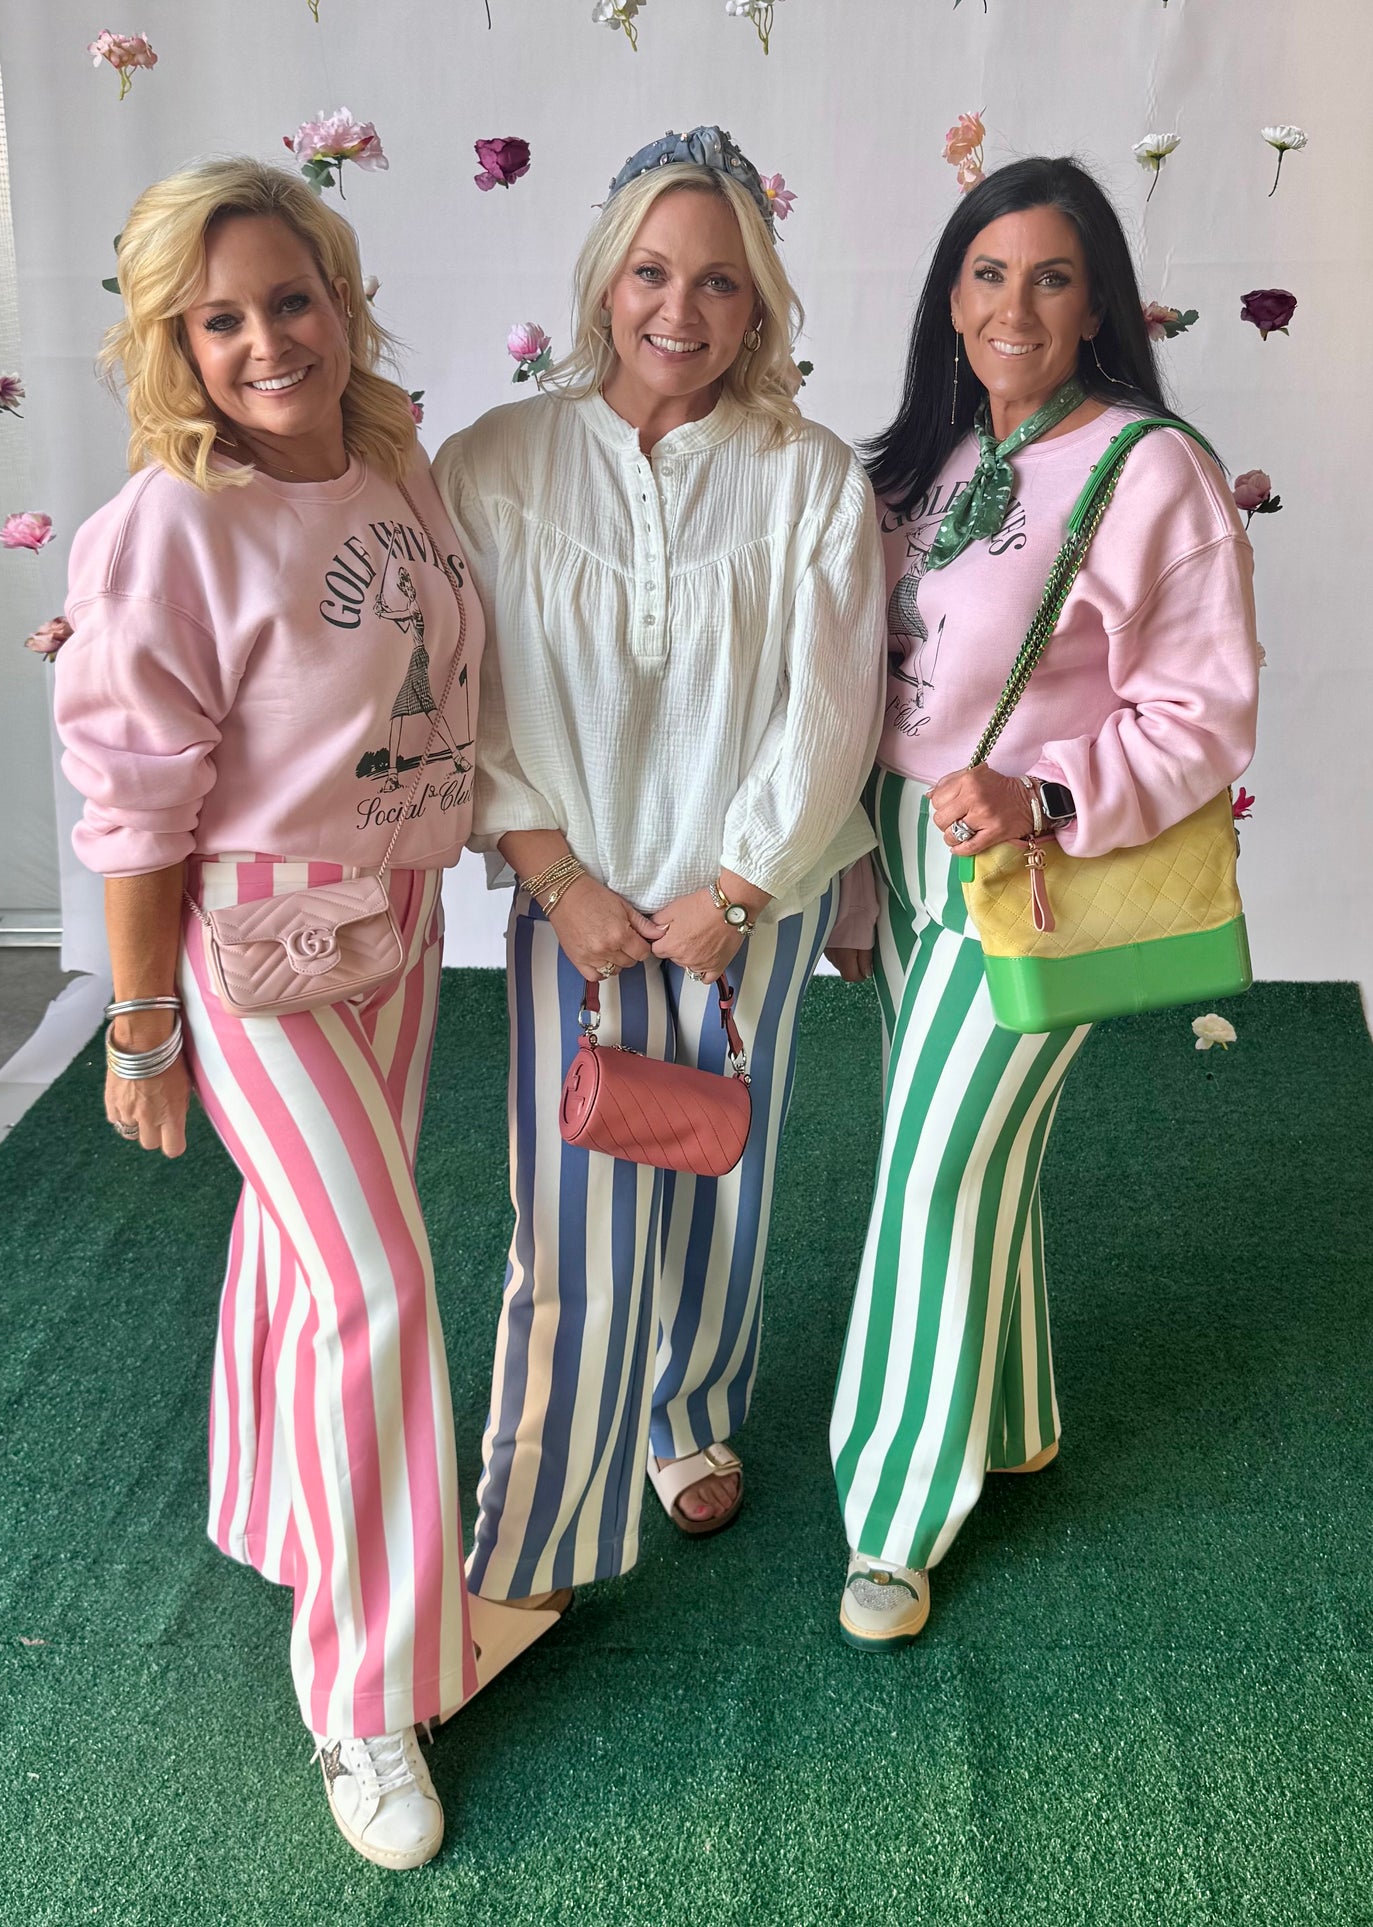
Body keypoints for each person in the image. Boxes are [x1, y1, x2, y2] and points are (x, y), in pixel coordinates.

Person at [52, 158, 484, 1868]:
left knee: (298, 1257)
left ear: (338, 293)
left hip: (397, 919)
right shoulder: (167, 519)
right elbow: (135, 803)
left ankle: (278, 1511)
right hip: (254, 947)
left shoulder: (392, 456)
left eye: (286, 299)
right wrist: (139, 1024)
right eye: (215, 318)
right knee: (373, 1281)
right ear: (174, 338)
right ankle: (363, 1694)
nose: (262, 341)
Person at [434, 127, 884, 1613]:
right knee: (568, 1206)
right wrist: (561, 881)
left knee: (715, 1178)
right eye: (649, 271)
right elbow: (465, 694)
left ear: (759, 305)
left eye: (717, 281)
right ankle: (533, 1530)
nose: (676, 310)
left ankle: (685, 1413)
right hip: (574, 899)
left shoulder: (807, 477)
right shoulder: (492, 462)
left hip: (739, 901)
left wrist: (739, 888)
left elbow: (834, 705)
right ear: (603, 278)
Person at [824, 157, 1258, 1648]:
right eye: (987, 274)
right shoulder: (925, 463)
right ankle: (1008, 1419)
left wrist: (1041, 788)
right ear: (949, 298)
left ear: (1099, 307)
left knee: (928, 1170)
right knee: (962, 1154)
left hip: (1034, 869)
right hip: (899, 844)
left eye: (1051, 277)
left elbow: (1201, 714)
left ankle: (889, 1518)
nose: (1015, 305)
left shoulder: (1151, 470)